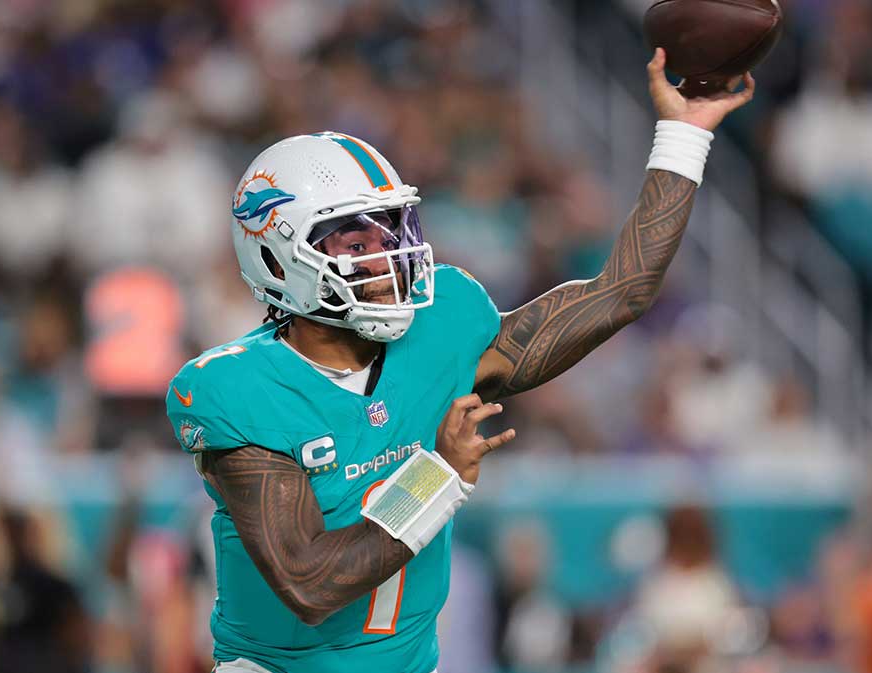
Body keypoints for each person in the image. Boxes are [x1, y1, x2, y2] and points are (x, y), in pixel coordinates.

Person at [165, 49, 754, 673]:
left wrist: (684, 133)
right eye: (356, 241)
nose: (387, 258)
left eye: (392, 232)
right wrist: (435, 477)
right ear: (279, 260)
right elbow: (311, 584)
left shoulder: (442, 325)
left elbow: (623, 290)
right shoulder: (238, 387)